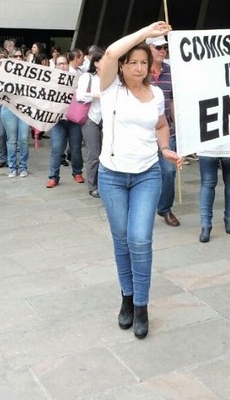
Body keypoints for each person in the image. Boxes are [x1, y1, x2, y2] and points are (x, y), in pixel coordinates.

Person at [97, 21, 182, 339]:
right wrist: (146, 33)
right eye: (132, 61)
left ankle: (143, 306)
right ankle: (127, 299)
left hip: (148, 174)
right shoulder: (109, 89)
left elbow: (161, 124)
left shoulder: (157, 94)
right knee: (121, 240)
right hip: (112, 177)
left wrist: (165, 148)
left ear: (150, 66)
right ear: (122, 65)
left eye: (143, 62)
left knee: (140, 239)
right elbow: (109, 52)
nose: (138, 67)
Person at [147, 36, 179, 227]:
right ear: (149, 48)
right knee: (146, 173)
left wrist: (178, 126)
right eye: (158, 47)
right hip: (145, 133)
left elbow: (173, 100)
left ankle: (165, 208)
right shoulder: (141, 72)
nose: (162, 50)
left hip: (167, 131)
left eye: (165, 47)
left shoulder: (171, 71)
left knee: (168, 171)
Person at [46, 55, 84, 188]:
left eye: (64, 64)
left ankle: (77, 172)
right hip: (58, 121)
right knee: (56, 149)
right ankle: (53, 177)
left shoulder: (77, 79)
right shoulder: (50, 81)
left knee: (75, 148)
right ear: (55, 66)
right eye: (59, 64)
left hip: (74, 119)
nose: (62, 66)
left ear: (68, 65)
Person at [76, 49, 103, 197]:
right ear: (97, 63)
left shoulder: (112, 77)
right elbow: (80, 96)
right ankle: (92, 185)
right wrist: (97, 95)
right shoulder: (88, 77)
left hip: (107, 119)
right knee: (93, 154)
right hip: (91, 119)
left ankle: (104, 183)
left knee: (106, 154)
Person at [1, 49, 31, 178]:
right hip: (8, 108)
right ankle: (12, 167)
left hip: (24, 108)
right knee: (12, 140)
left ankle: (23, 166)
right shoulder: (4, 72)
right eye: (15, 56)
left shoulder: (29, 72)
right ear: (10, 57)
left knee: (24, 139)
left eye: (20, 56)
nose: (18, 58)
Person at [198, 154, 230, 242]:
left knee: (207, 183)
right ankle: (228, 220)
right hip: (229, 144)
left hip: (207, 143)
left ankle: (206, 225)